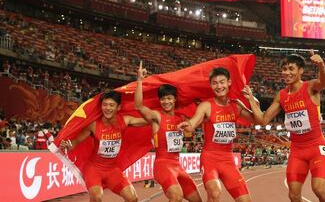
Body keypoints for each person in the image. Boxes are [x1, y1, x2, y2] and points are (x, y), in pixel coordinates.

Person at [243, 51, 325, 202]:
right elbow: (263, 120)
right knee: (293, 195)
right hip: (297, 151)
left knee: (318, 189)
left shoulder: (310, 87)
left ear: (301, 71)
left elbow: (324, 82)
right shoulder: (282, 95)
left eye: (291, 69)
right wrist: (252, 100)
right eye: (284, 69)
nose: (286, 72)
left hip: (316, 147)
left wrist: (321, 65)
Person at [178, 67, 257, 202]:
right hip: (210, 158)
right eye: (214, 83)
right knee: (214, 193)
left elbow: (256, 119)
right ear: (210, 85)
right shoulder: (206, 105)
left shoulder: (236, 105)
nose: (219, 86)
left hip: (228, 160)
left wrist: (252, 100)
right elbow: (194, 122)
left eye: (222, 82)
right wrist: (188, 125)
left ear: (229, 82)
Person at [60, 90, 148, 202]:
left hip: (112, 170)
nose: (108, 108)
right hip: (94, 169)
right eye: (105, 105)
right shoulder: (94, 124)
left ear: (118, 107)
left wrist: (160, 114)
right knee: (97, 198)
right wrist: (68, 145)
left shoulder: (125, 121)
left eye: (112, 105)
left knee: (133, 198)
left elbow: (148, 120)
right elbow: (75, 143)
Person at [134, 62, 202, 202]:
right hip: (162, 165)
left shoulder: (181, 118)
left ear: (175, 99)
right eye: (163, 98)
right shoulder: (157, 117)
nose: (166, 101)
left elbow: (198, 119)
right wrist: (139, 81)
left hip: (178, 165)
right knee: (176, 197)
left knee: (197, 200)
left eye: (169, 98)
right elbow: (139, 106)